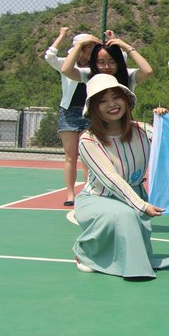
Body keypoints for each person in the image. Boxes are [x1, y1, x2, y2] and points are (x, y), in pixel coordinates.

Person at [73, 74, 169, 279]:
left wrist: (165, 122)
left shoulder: (142, 129)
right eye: (103, 101)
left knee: (128, 215)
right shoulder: (88, 140)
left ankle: (124, 257)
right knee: (124, 214)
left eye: (116, 97)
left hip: (135, 195)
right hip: (97, 198)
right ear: (94, 109)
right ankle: (86, 252)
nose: (112, 104)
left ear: (125, 100)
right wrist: (141, 205)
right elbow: (110, 178)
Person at [43, 26, 95, 206]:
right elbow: (49, 57)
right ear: (78, 48)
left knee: (88, 154)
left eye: (91, 47)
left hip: (89, 111)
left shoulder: (99, 64)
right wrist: (62, 35)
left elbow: (123, 59)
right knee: (70, 155)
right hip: (69, 111)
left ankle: (89, 191)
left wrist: (99, 41)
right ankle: (70, 195)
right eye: (86, 47)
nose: (89, 50)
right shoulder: (67, 63)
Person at [61, 30, 153, 91]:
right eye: (101, 62)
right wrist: (79, 44)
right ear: (95, 63)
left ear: (118, 62)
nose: (107, 67)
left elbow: (147, 71)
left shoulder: (127, 75)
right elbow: (66, 70)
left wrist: (126, 46)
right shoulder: (90, 75)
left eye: (112, 62)